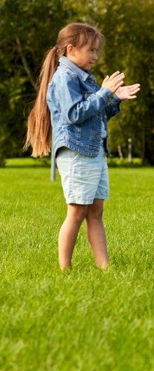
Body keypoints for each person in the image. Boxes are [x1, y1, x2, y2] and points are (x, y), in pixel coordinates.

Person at [24, 23, 140, 270]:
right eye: (91, 50)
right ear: (70, 49)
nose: (95, 57)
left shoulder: (85, 78)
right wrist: (103, 93)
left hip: (93, 151)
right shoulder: (64, 78)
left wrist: (113, 98)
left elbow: (95, 115)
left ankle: (105, 268)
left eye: (97, 51)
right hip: (77, 153)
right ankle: (65, 269)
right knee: (77, 212)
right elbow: (75, 114)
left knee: (96, 210)